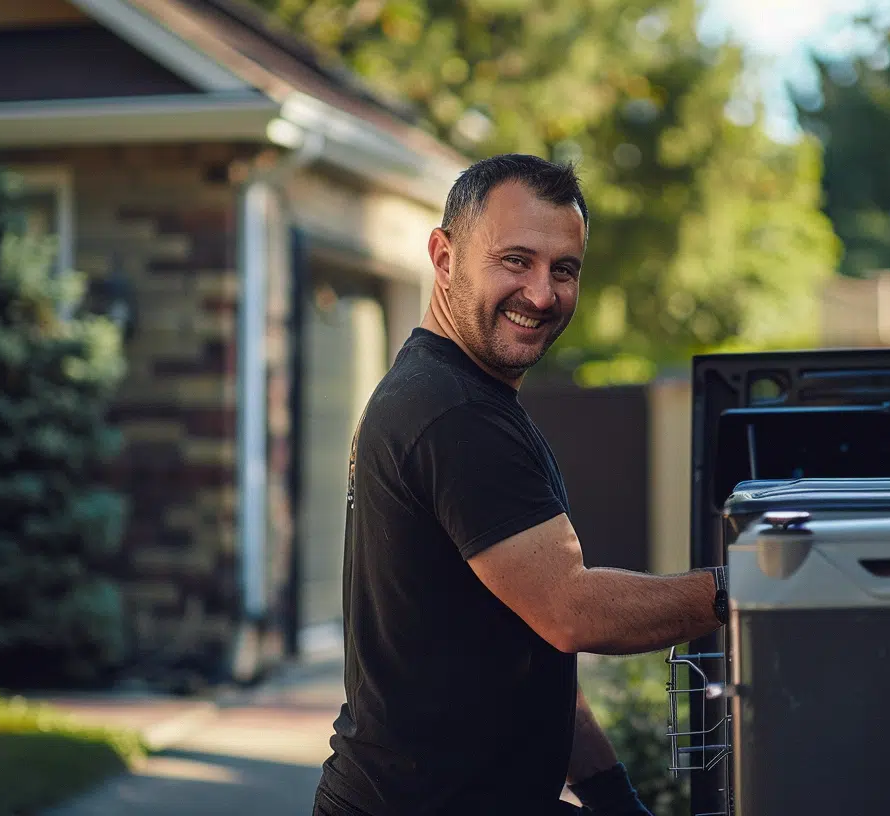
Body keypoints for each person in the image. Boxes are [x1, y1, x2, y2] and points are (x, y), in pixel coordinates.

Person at [312, 154, 728, 816]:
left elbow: (532, 639)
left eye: (563, 269)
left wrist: (610, 797)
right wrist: (748, 590)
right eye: (516, 261)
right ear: (444, 258)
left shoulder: (456, 396)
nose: (541, 293)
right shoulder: (454, 413)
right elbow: (572, 611)